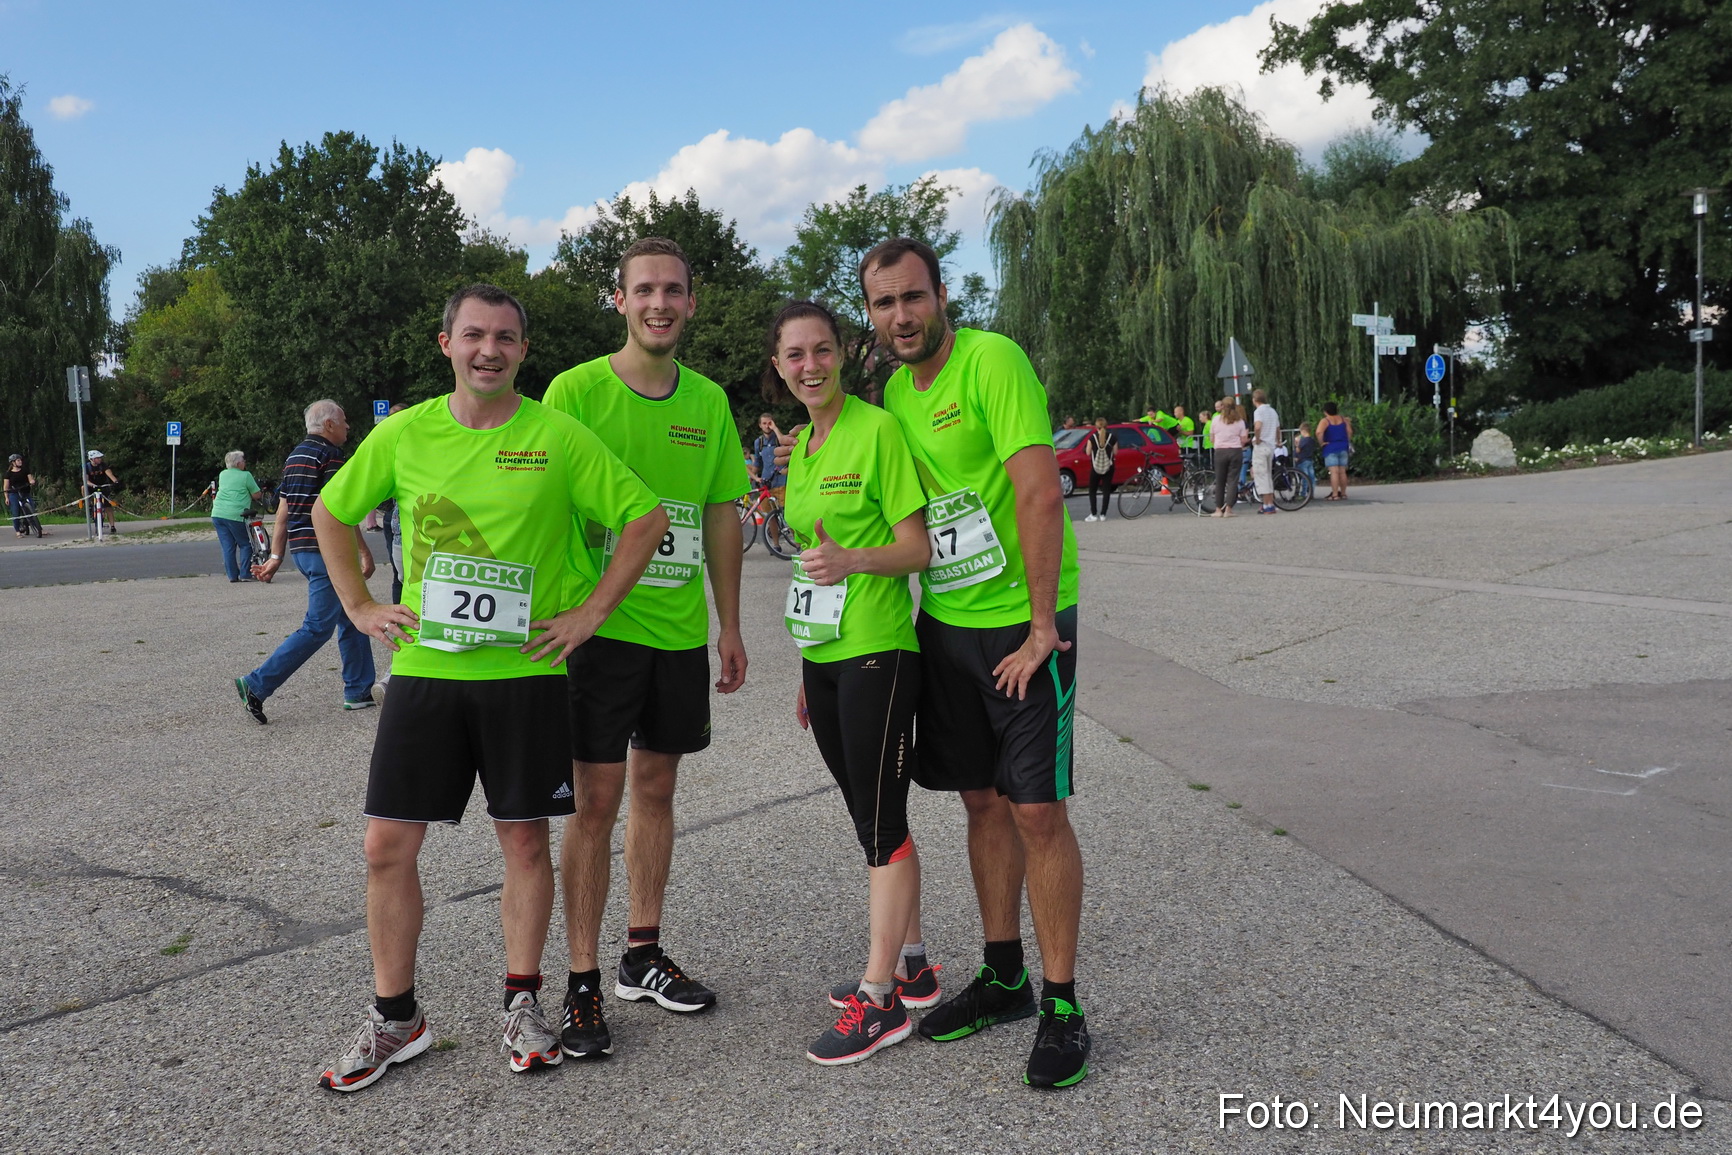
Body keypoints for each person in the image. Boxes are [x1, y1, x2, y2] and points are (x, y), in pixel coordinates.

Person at [310, 283, 668, 1092]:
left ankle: (522, 1003)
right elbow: (332, 514)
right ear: (446, 344)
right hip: (428, 673)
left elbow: (645, 519)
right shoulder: (405, 433)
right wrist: (359, 605)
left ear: (522, 351)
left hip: (525, 675)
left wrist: (589, 613)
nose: (490, 350)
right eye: (474, 335)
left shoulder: (556, 435)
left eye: (506, 338)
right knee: (385, 846)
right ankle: (396, 1017)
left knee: (524, 844)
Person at [850, 237, 1090, 1088]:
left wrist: (1037, 627)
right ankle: (1005, 976)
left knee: (1037, 812)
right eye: (884, 304)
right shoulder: (891, 395)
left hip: (1021, 627)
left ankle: (1062, 1002)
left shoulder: (992, 360)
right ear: (869, 313)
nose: (901, 317)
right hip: (946, 626)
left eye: (913, 298)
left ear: (940, 293)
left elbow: (1036, 487)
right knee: (980, 802)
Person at [541, 237, 751, 1062]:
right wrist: (567, 612)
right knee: (595, 803)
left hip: (676, 634)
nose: (660, 303)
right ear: (619, 299)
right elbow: (542, 499)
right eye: (644, 290)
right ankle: (583, 982)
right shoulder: (577, 390)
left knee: (657, 790)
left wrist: (729, 624)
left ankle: (641, 953)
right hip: (599, 631)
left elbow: (723, 516)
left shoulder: (707, 399)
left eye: (674, 289)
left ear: (691, 302)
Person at [766, 300, 937, 1065]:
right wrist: (809, 661)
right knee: (875, 814)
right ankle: (915, 963)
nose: (810, 365)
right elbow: (812, 558)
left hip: (878, 650)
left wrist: (853, 562)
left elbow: (916, 548)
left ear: (843, 354)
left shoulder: (876, 431)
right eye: (795, 355)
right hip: (827, 655)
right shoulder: (802, 445)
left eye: (823, 350)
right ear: (779, 367)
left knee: (880, 822)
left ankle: (879, 1002)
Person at [234, 401, 377, 722]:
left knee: (352, 616)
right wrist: (364, 551)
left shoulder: (295, 456)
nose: (348, 427)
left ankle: (358, 690)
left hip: (304, 551)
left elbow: (283, 512)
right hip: (327, 550)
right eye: (343, 421)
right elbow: (341, 509)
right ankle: (256, 684)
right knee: (317, 627)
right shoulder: (331, 456)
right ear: (328, 425)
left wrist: (275, 557)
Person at [211, 450, 264, 581]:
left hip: (217, 513)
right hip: (235, 514)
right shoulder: (246, 475)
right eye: (244, 461)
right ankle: (246, 573)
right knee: (245, 544)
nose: (245, 463)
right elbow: (257, 494)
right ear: (239, 463)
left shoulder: (223, 474)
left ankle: (232, 575)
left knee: (228, 546)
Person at [1210, 401, 1247, 517]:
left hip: (1220, 451)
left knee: (1220, 481)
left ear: (1222, 407)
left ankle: (1218, 510)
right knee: (1232, 481)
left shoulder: (1216, 420)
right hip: (1235, 451)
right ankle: (1229, 509)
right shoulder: (1240, 421)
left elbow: (1212, 437)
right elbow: (1244, 439)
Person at [1250, 389, 1281, 515]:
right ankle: (1270, 503)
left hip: (1261, 445)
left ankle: (1267, 505)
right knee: (1268, 475)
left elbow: (1258, 426)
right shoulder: (1272, 411)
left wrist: (1257, 439)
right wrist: (1278, 440)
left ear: (1254, 400)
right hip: (1270, 446)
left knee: (1261, 475)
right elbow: (1278, 428)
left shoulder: (1259, 411)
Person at [1082, 417, 1116, 523]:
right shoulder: (1112, 437)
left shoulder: (1092, 438)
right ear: (1106, 426)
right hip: (1109, 467)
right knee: (1106, 490)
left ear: (1096, 427)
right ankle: (1103, 514)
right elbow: (1116, 452)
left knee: (1092, 491)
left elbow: (1088, 452)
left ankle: (1093, 514)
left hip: (1095, 467)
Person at [5, 454, 47, 538]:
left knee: (32, 509)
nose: (20, 461)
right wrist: (6, 497)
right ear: (13, 462)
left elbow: (30, 478)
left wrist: (32, 481)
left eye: (20, 460)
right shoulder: (8, 474)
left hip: (25, 492)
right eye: (18, 460)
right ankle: (17, 532)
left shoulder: (25, 470)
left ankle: (39, 529)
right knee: (15, 512)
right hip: (14, 494)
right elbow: (6, 487)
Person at [1318, 402, 1353, 500]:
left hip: (1331, 447)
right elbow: (1349, 431)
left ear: (1325, 411)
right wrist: (1347, 441)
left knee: (1334, 472)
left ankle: (1334, 494)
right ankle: (1343, 493)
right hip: (1343, 446)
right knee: (1342, 471)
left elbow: (1319, 432)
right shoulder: (1343, 420)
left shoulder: (1325, 421)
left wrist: (1322, 442)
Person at [751, 413, 787, 499]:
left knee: (782, 511)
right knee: (766, 512)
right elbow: (757, 463)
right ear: (760, 425)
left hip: (781, 483)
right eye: (764, 423)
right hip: (766, 483)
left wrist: (775, 428)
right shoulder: (758, 442)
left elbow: (784, 442)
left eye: (769, 423)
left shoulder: (779, 438)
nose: (767, 426)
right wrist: (752, 477)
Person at [84, 450, 120, 535]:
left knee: (108, 507)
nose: (100, 459)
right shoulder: (86, 467)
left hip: (103, 486)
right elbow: (85, 480)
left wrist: (115, 481)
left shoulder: (103, 465)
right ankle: (88, 503)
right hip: (92, 487)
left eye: (100, 457)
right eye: (98, 458)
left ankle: (112, 527)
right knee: (83, 487)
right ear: (92, 459)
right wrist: (92, 485)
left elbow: (109, 473)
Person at [1293, 422, 1318, 493]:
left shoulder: (1303, 440)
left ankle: (1303, 493)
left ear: (1303, 431)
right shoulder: (1312, 440)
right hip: (1310, 459)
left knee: (1305, 477)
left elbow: (1298, 450)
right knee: (1311, 477)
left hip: (1302, 460)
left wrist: (1297, 443)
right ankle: (1311, 492)